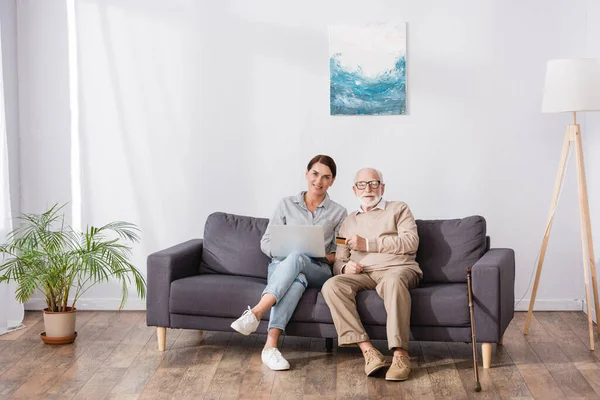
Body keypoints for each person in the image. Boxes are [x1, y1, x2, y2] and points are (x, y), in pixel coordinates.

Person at [230, 155, 347, 371]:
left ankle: (255, 313)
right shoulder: (286, 205)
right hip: (283, 267)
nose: (319, 181)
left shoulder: (340, 213)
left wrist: (315, 254)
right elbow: (265, 242)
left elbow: (339, 253)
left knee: (298, 258)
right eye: (315, 174)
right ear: (306, 173)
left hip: (319, 270)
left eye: (326, 177)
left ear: (332, 181)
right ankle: (270, 347)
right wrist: (285, 251)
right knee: (296, 275)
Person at [321, 167, 422, 381]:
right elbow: (339, 257)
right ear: (354, 189)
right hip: (363, 274)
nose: (368, 188)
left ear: (382, 187)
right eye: (362, 184)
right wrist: (344, 268)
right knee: (332, 285)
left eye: (374, 183)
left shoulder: (398, 209)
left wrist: (367, 244)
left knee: (393, 282)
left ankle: (400, 354)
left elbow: (411, 242)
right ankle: (368, 351)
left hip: (397, 269)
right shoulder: (347, 222)